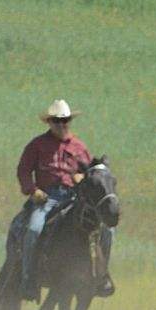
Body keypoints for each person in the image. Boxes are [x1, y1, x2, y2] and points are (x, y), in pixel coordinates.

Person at [13, 100, 112, 297]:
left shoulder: (79, 147)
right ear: (49, 122)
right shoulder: (37, 145)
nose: (61, 124)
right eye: (57, 121)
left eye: (65, 120)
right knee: (33, 229)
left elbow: (91, 174)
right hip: (47, 198)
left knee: (107, 230)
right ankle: (28, 278)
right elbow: (23, 170)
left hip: (75, 197)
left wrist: (82, 177)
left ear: (70, 121)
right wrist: (33, 190)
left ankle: (102, 277)